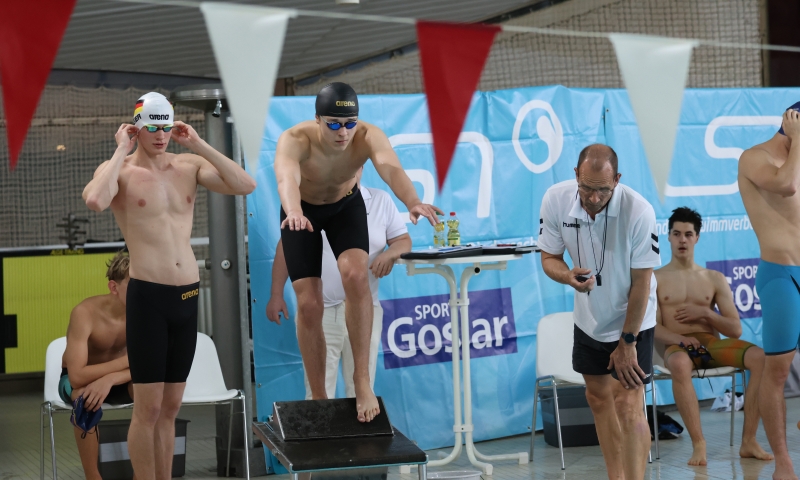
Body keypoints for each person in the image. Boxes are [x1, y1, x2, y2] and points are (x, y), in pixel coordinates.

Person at [82, 92, 256, 480]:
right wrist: (120, 150)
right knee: (147, 409)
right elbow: (95, 200)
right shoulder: (121, 171)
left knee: (171, 408)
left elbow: (245, 184)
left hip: (187, 296)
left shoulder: (188, 165)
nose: (161, 135)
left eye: (166, 127)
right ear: (136, 128)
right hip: (149, 298)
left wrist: (199, 144)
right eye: (152, 128)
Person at [274, 82, 441, 422]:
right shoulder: (295, 139)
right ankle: (319, 394)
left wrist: (412, 201)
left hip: (344, 207)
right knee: (309, 303)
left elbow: (390, 168)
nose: (343, 132)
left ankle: (361, 379)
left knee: (355, 275)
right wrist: (293, 211)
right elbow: (286, 179)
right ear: (318, 119)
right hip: (301, 209)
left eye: (349, 123)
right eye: (334, 124)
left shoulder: (367, 135)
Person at [538, 144, 660, 480]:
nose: (593, 198)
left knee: (628, 404)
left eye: (603, 190)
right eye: (586, 188)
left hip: (634, 318)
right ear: (575, 175)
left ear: (617, 179)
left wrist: (628, 342)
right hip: (589, 317)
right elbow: (549, 258)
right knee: (598, 399)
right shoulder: (555, 199)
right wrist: (567, 276)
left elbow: (642, 283)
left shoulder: (639, 211)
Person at [266, 170, 411, 398]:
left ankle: (360, 410)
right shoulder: (308, 201)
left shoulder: (380, 200)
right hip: (321, 310)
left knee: (361, 389)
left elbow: (402, 240)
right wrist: (276, 294)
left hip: (363, 309)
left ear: (360, 165)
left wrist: (390, 254)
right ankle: (321, 417)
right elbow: (287, 249)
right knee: (319, 390)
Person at [654, 207, 772, 466]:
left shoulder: (714, 278)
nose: (682, 240)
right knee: (680, 362)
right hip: (676, 346)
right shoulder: (655, 278)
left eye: (688, 234)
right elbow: (652, 327)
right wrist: (681, 339)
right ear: (668, 236)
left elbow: (735, 329)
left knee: (760, 358)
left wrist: (706, 313)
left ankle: (749, 440)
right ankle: (699, 443)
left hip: (709, 345)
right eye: (677, 234)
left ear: (697, 237)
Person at [739, 103, 800, 480]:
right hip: (781, 276)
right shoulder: (754, 158)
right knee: (776, 373)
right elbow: (786, 184)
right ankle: (784, 463)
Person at [60, 251, 134, 480]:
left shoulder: (146, 313)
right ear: (114, 287)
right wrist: (126, 362)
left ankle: (142, 475)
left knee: (150, 391)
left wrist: (110, 379)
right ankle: (93, 477)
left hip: (121, 377)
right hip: (79, 381)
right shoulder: (85, 313)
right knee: (83, 399)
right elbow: (76, 377)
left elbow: (153, 366)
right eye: (135, 284)